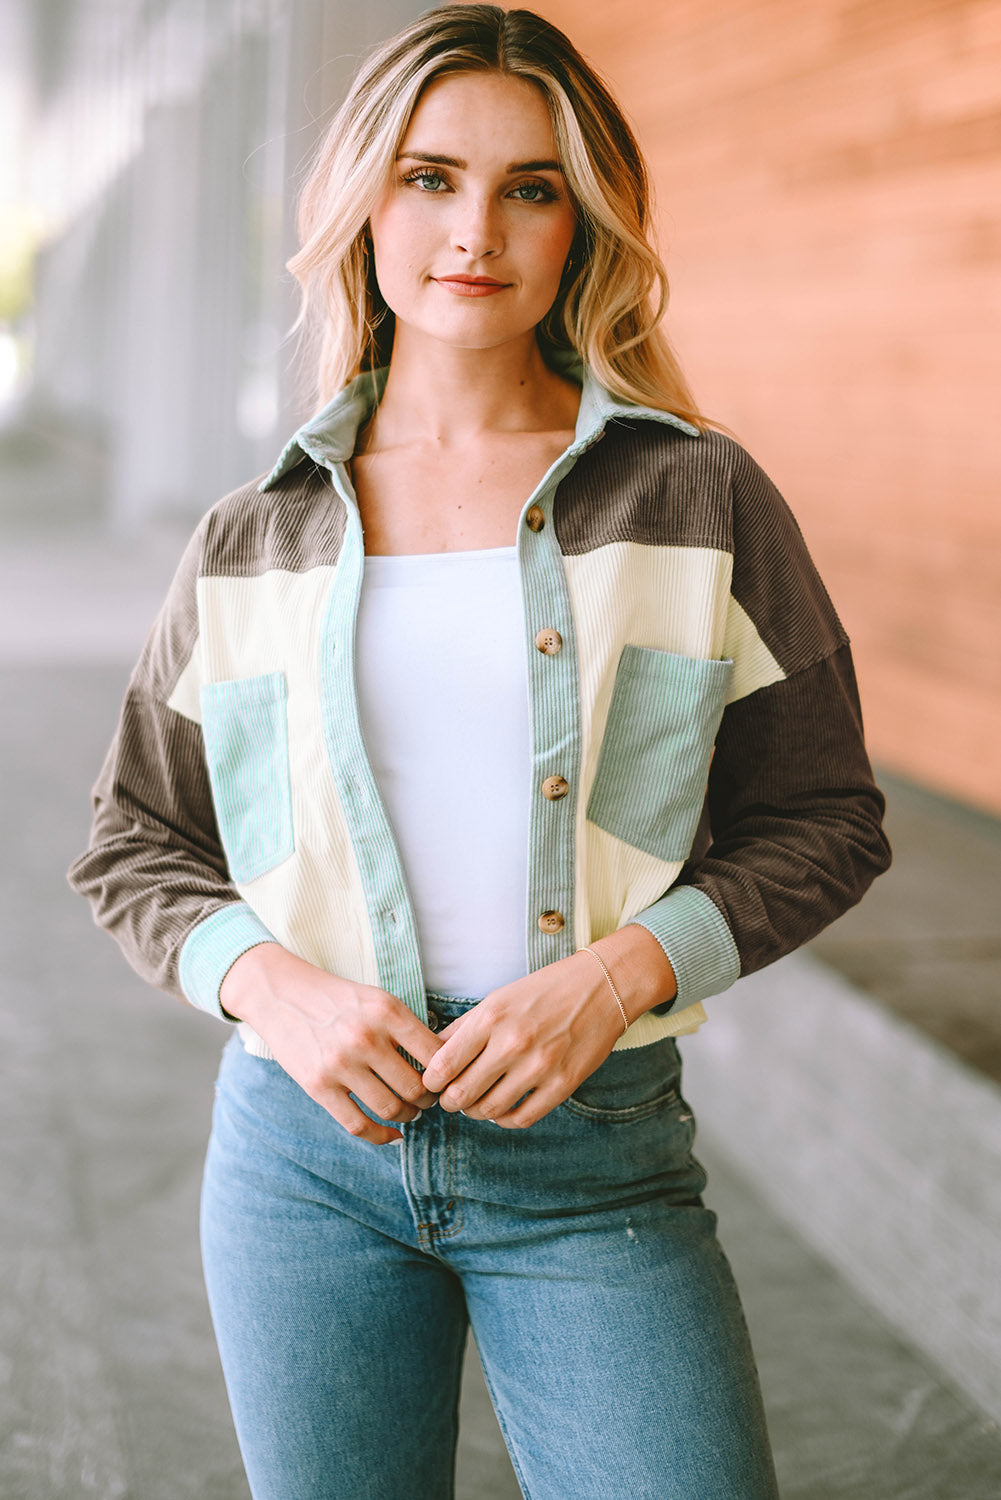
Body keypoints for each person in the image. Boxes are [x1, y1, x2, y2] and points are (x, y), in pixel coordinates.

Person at [68, 6, 891, 1498]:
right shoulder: (253, 536)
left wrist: (616, 975)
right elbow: (134, 841)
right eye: (430, 177)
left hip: (597, 1159)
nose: (474, 230)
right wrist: (278, 990)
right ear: (362, 203)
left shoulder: (698, 497)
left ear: (584, 224)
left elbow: (826, 816)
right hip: (302, 1157)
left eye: (530, 187)